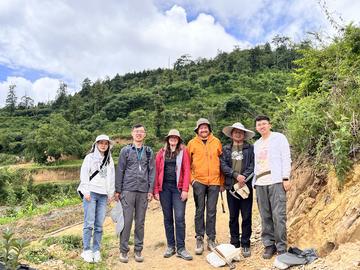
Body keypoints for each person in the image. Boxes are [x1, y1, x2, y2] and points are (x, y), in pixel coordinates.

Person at [115, 124, 155, 263]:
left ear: (145, 134)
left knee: (140, 222)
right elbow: (120, 170)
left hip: (143, 191)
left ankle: (138, 250)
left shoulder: (149, 151)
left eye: (141, 132)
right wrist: (118, 190)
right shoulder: (125, 151)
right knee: (126, 221)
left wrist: (150, 190)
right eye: (136, 131)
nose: (139, 134)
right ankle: (123, 251)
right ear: (132, 133)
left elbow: (152, 172)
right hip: (128, 190)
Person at [253, 115, 292, 259]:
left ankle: (282, 247)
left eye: (264, 123)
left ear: (270, 124)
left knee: (278, 215)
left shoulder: (279, 138)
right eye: (259, 124)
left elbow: (286, 157)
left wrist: (286, 177)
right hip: (260, 183)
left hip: (276, 181)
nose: (262, 126)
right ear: (256, 128)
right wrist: (254, 183)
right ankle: (269, 245)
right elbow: (256, 165)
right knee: (265, 216)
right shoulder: (256, 144)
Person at [154, 129, 193, 261]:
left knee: (179, 217)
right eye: (171, 137)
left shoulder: (183, 151)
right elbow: (156, 170)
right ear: (168, 139)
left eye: (176, 138)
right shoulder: (161, 153)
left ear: (179, 139)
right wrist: (156, 190)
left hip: (178, 189)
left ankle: (181, 248)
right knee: (168, 217)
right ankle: (171, 246)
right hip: (164, 189)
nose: (173, 139)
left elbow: (187, 170)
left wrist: (185, 189)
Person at [187, 118, 224, 255]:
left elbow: (222, 163)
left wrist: (221, 181)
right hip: (199, 181)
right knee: (199, 210)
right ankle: (199, 237)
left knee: (211, 211)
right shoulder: (191, 143)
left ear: (209, 129)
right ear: (197, 130)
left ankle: (211, 238)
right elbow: (187, 164)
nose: (203, 130)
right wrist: (192, 180)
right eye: (201, 128)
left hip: (214, 181)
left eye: (206, 127)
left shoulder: (217, 142)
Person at [77, 134, 115, 263]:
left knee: (99, 224)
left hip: (103, 195)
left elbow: (111, 177)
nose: (103, 145)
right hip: (91, 193)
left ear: (108, 145)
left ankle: (96, 250)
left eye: (106, 143)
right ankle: (86, 250)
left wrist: (110, 194)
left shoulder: (109, 159)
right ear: (96, 144)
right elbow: (84, 174)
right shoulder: (89, 158)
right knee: (89, 223)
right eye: (101, 143)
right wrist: (86, 191)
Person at [220, 122, 255, 258]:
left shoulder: (250, 149)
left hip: (246, 187)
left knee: (246, 216)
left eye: (240, 132)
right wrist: (236, 175)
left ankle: (245, 243)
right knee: (233, 216)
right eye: (235, 132)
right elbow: (223, 165)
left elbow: (253, 164)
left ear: (244, 134)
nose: (238, 134)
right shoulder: (226, 149)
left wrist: (244, 177)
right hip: (231, 188)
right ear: (232, 134)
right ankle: (234, 242)